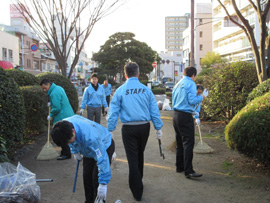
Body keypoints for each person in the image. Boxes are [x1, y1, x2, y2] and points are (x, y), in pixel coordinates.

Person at [107, 62, 163, 201]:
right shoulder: (146, 90)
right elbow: (154, 110)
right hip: (144, 127)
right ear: (138, 74)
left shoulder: (120, 90)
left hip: (129, 128)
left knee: (132, 157)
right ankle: (139, 179)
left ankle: (137, 189)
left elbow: (113, 112)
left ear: (125, 75)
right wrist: (158, 127)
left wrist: (110, 129)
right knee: (139, 154)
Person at [51, 115, 115, 203]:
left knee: (96, 178)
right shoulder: (63, 126)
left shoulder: (92, 138)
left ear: (73, 131)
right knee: (87, 176)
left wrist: (103, 183)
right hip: (86, 149)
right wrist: (75, 151)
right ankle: (89, 201)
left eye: (70, 142)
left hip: (104, 145)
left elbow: (102, 159)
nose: (69, 144)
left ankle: (100, 201)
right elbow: (70, 141)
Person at [172, 66, 208, 178]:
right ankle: (189, 171)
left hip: (176, 115)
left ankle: (179, 166)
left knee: (179, 142)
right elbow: (192, 100)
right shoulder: (191, 84)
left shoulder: (178, 83)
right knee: (188, 143)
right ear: (193, 75)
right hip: (185, 116)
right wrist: (202, 97)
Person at [40, 79, 74, 160]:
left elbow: (57, 108)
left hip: (62, 116)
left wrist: (51, 115)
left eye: (45, 88)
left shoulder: (54, 93)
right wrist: (51, 103)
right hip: (68, 113)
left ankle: (66, 153)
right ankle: (64, 152)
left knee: (62, 135)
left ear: (48, 84)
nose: (44, 90)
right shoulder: (59, 88)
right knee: (66, 134)